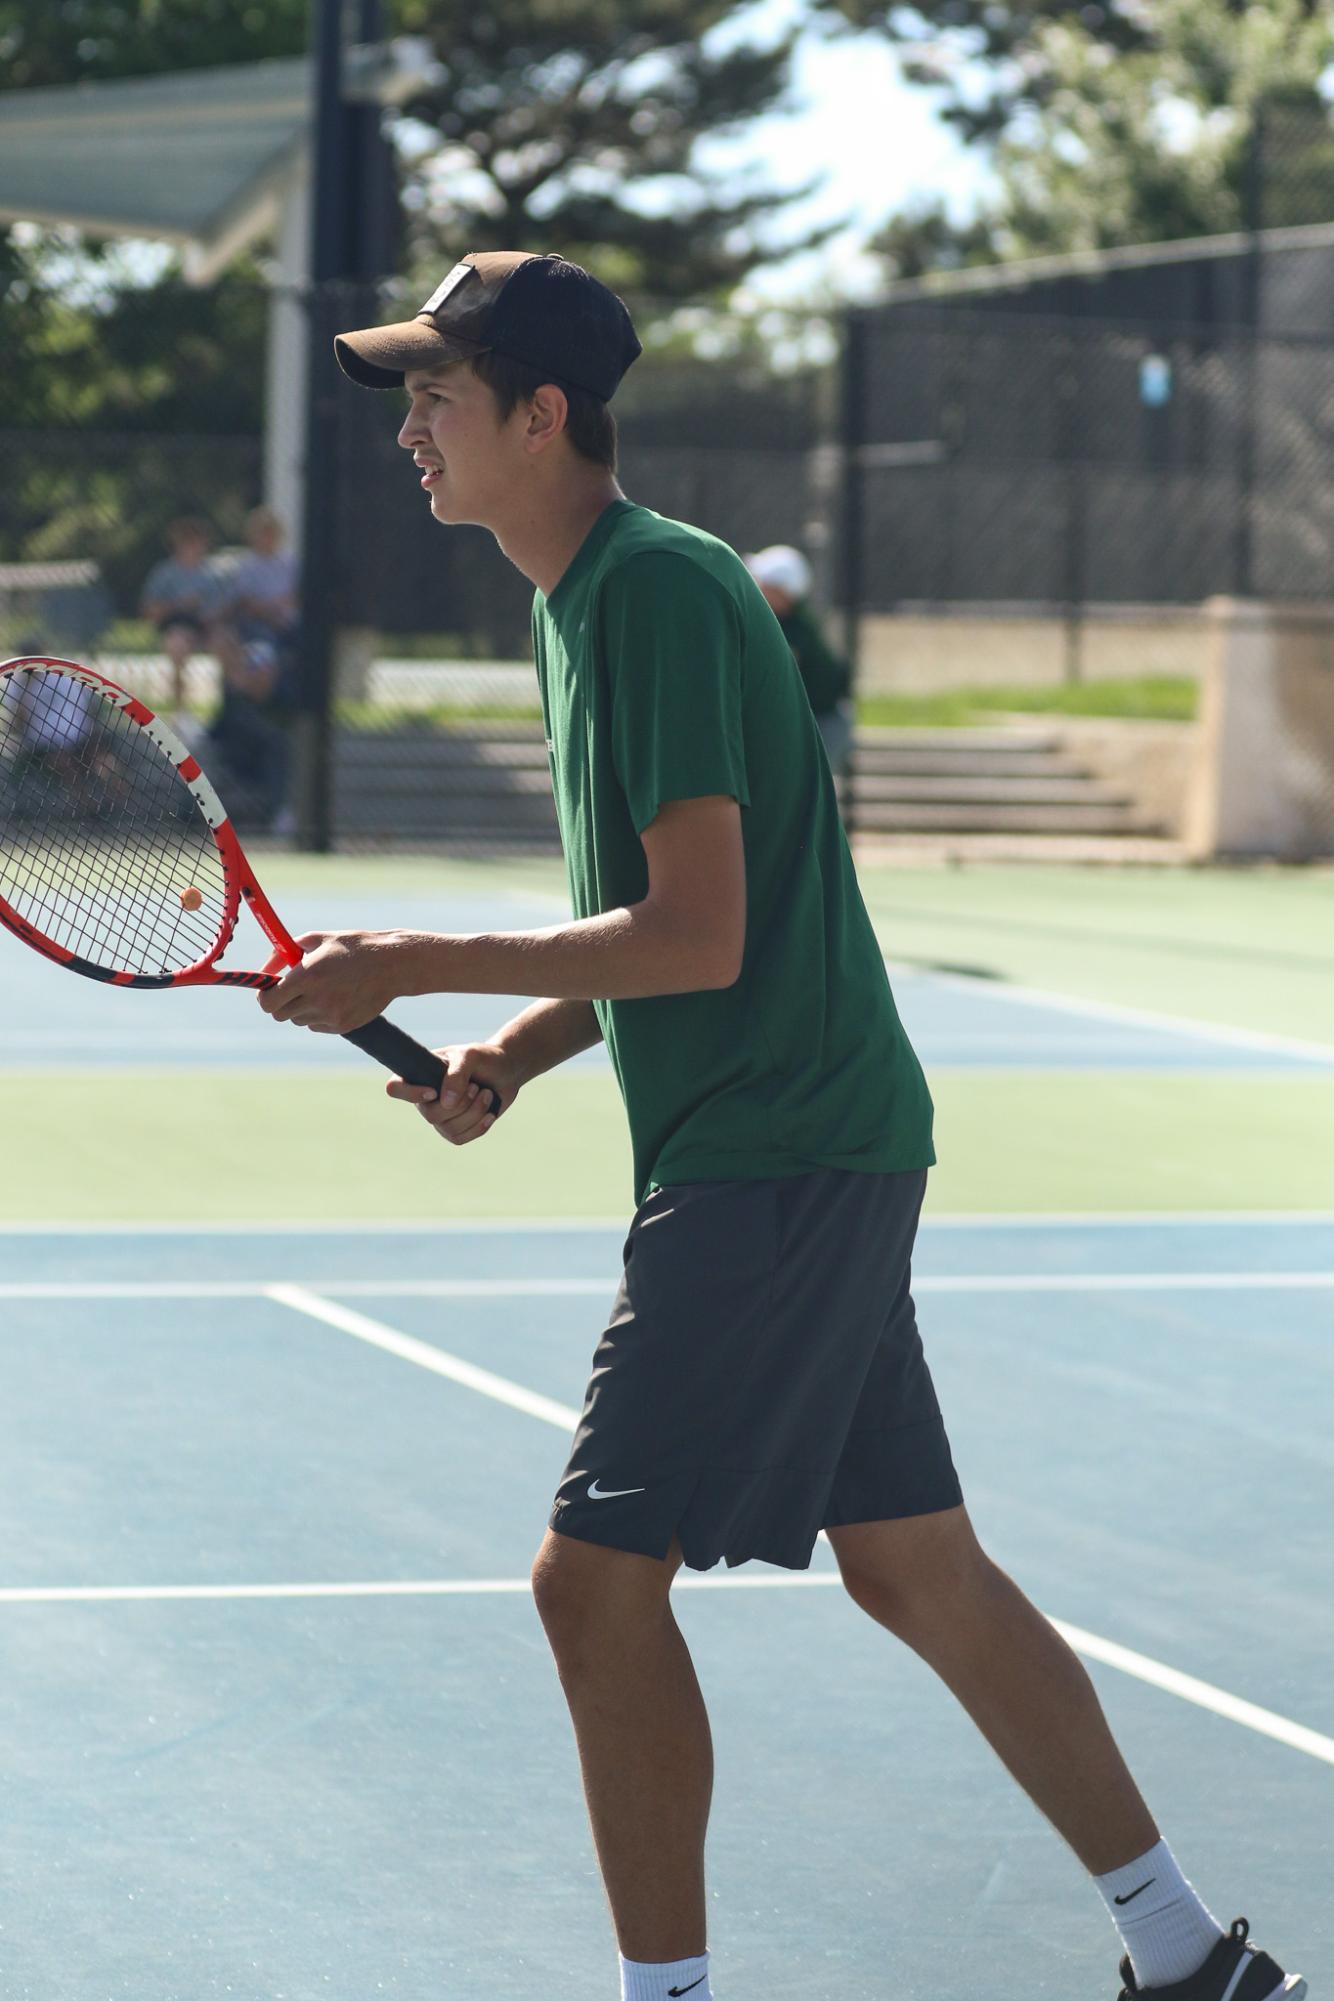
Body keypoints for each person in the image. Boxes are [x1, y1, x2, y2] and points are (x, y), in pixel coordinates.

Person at [254, 252, 1303, 2001]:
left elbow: (702, 934)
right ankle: (1184, 1955)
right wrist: (507, 1051)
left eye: (436, 394)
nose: (409, 429)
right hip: (796, 1139)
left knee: (588, 1589)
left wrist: (413, 951)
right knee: (915, 1569)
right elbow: (639, 931)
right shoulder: (574, 597)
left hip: (776, 1152)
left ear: (541, 415)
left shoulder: (656, 593)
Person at [207, 506, 299, 832]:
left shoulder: (290, 565)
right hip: (258, 632)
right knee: (257, 643)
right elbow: (243, 603)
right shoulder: (246, 569)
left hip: (284, 637)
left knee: (277, 748)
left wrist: (278, 611)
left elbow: (293, 601)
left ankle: (278, 812)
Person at [744, 543, 854, 780]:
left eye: (764, 582)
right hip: (811, 724)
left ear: (783, 592)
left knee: (799, 789)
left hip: (824, 725)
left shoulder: (794, 632)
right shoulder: (781, 623)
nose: (755, 585)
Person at [139, 517, 228, 711]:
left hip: (207, 626)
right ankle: (181, 711)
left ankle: (227, 706)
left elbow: (225, 606)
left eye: (197, 541)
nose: (193, 546)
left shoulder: (213, 573)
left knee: (225, 644)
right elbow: (149, 609)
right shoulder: (165, 572)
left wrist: (212, 614)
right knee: (177, 645)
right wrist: (179, 605)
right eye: (187, 541)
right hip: (177, 625)